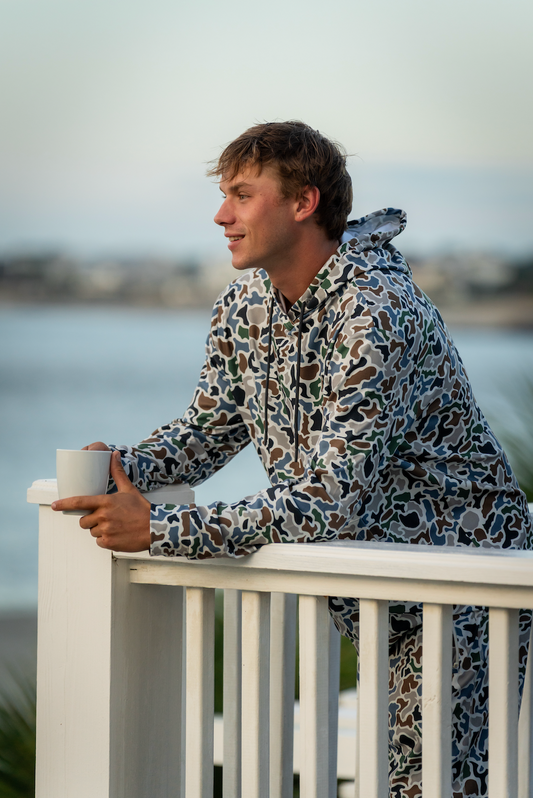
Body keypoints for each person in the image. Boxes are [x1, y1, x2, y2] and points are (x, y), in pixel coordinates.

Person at [52, 121, 532, 797]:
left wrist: (159, 529)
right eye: (223, 195)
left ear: (304, 203)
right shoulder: (244, 306)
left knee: (431, 786)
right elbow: (208, 431)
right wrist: (119, 467)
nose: (221, 215)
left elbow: (329, 500)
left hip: (464, 587)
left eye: (242, 195)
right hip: (375, 588)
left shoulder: (377, 312)